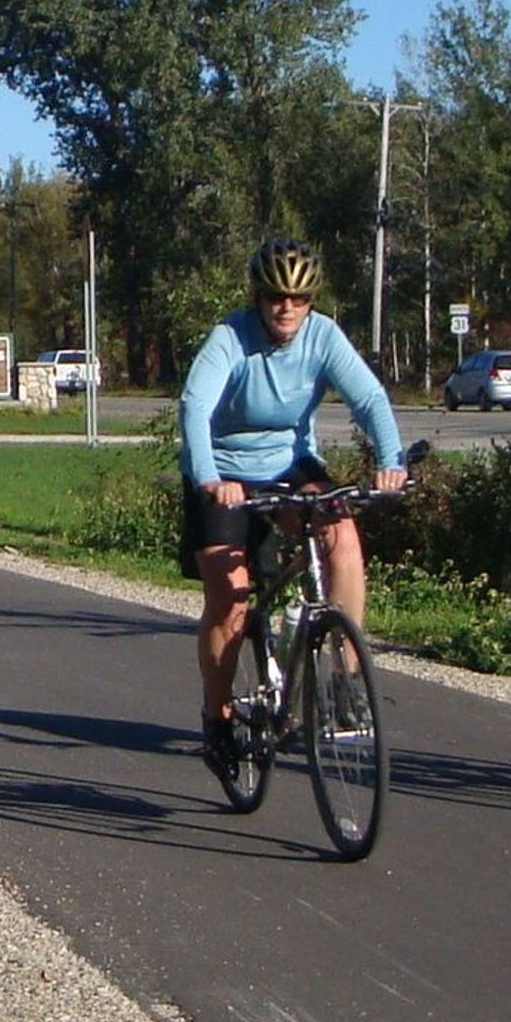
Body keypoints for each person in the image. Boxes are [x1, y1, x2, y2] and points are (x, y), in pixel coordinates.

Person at [179, 235, 410, 784]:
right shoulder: (230, 338)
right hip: (225, 474)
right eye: (276, 296)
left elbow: (370, 398)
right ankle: (217, 718)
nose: (287, 308)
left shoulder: (323, 336)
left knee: (342, 536)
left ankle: (345, 683)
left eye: (300, 299)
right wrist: (210, 478)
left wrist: (392, 460)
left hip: (291, 465)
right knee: (230, 601)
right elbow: (195, 405)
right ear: (258, 296)